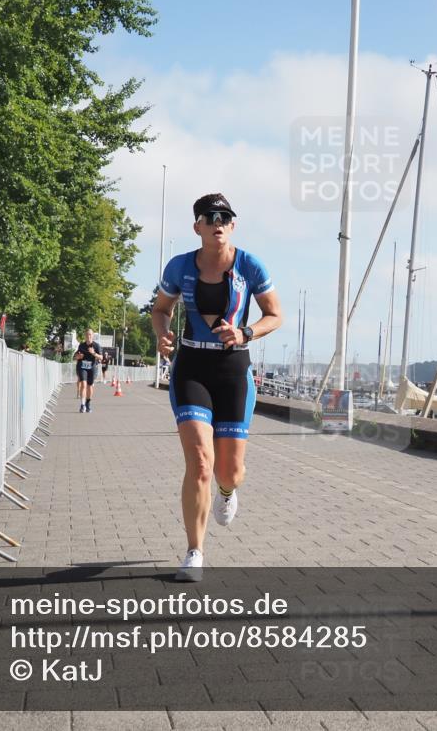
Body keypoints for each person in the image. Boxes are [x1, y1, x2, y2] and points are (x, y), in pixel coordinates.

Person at [151, 193, 282, 582]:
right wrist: (162, 334)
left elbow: (274, 315)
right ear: (197, 227)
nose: (217, 222)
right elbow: (161, 309)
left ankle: (227, 492)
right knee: (200, 462)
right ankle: (194, 552)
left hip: (233, 370)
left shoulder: (249, 265)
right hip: (192, 367)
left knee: (230, 471)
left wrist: (245, 333)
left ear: (233, 225)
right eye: (209, 217)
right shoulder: (180, 266)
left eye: (224, 217)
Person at [73, 328, 103, 413]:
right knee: (83, 384)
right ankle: (82, 405)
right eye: (87, 335)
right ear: (85, 336)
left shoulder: (96, 346)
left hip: (92, 368)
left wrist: (93, 353)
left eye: (90, 334)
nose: (88, 336)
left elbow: (101, 357)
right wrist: (78, 357)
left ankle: (88, 404)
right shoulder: (81, 345)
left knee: (90, 386)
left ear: (92, 336)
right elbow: (75, 356)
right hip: (82, 367)